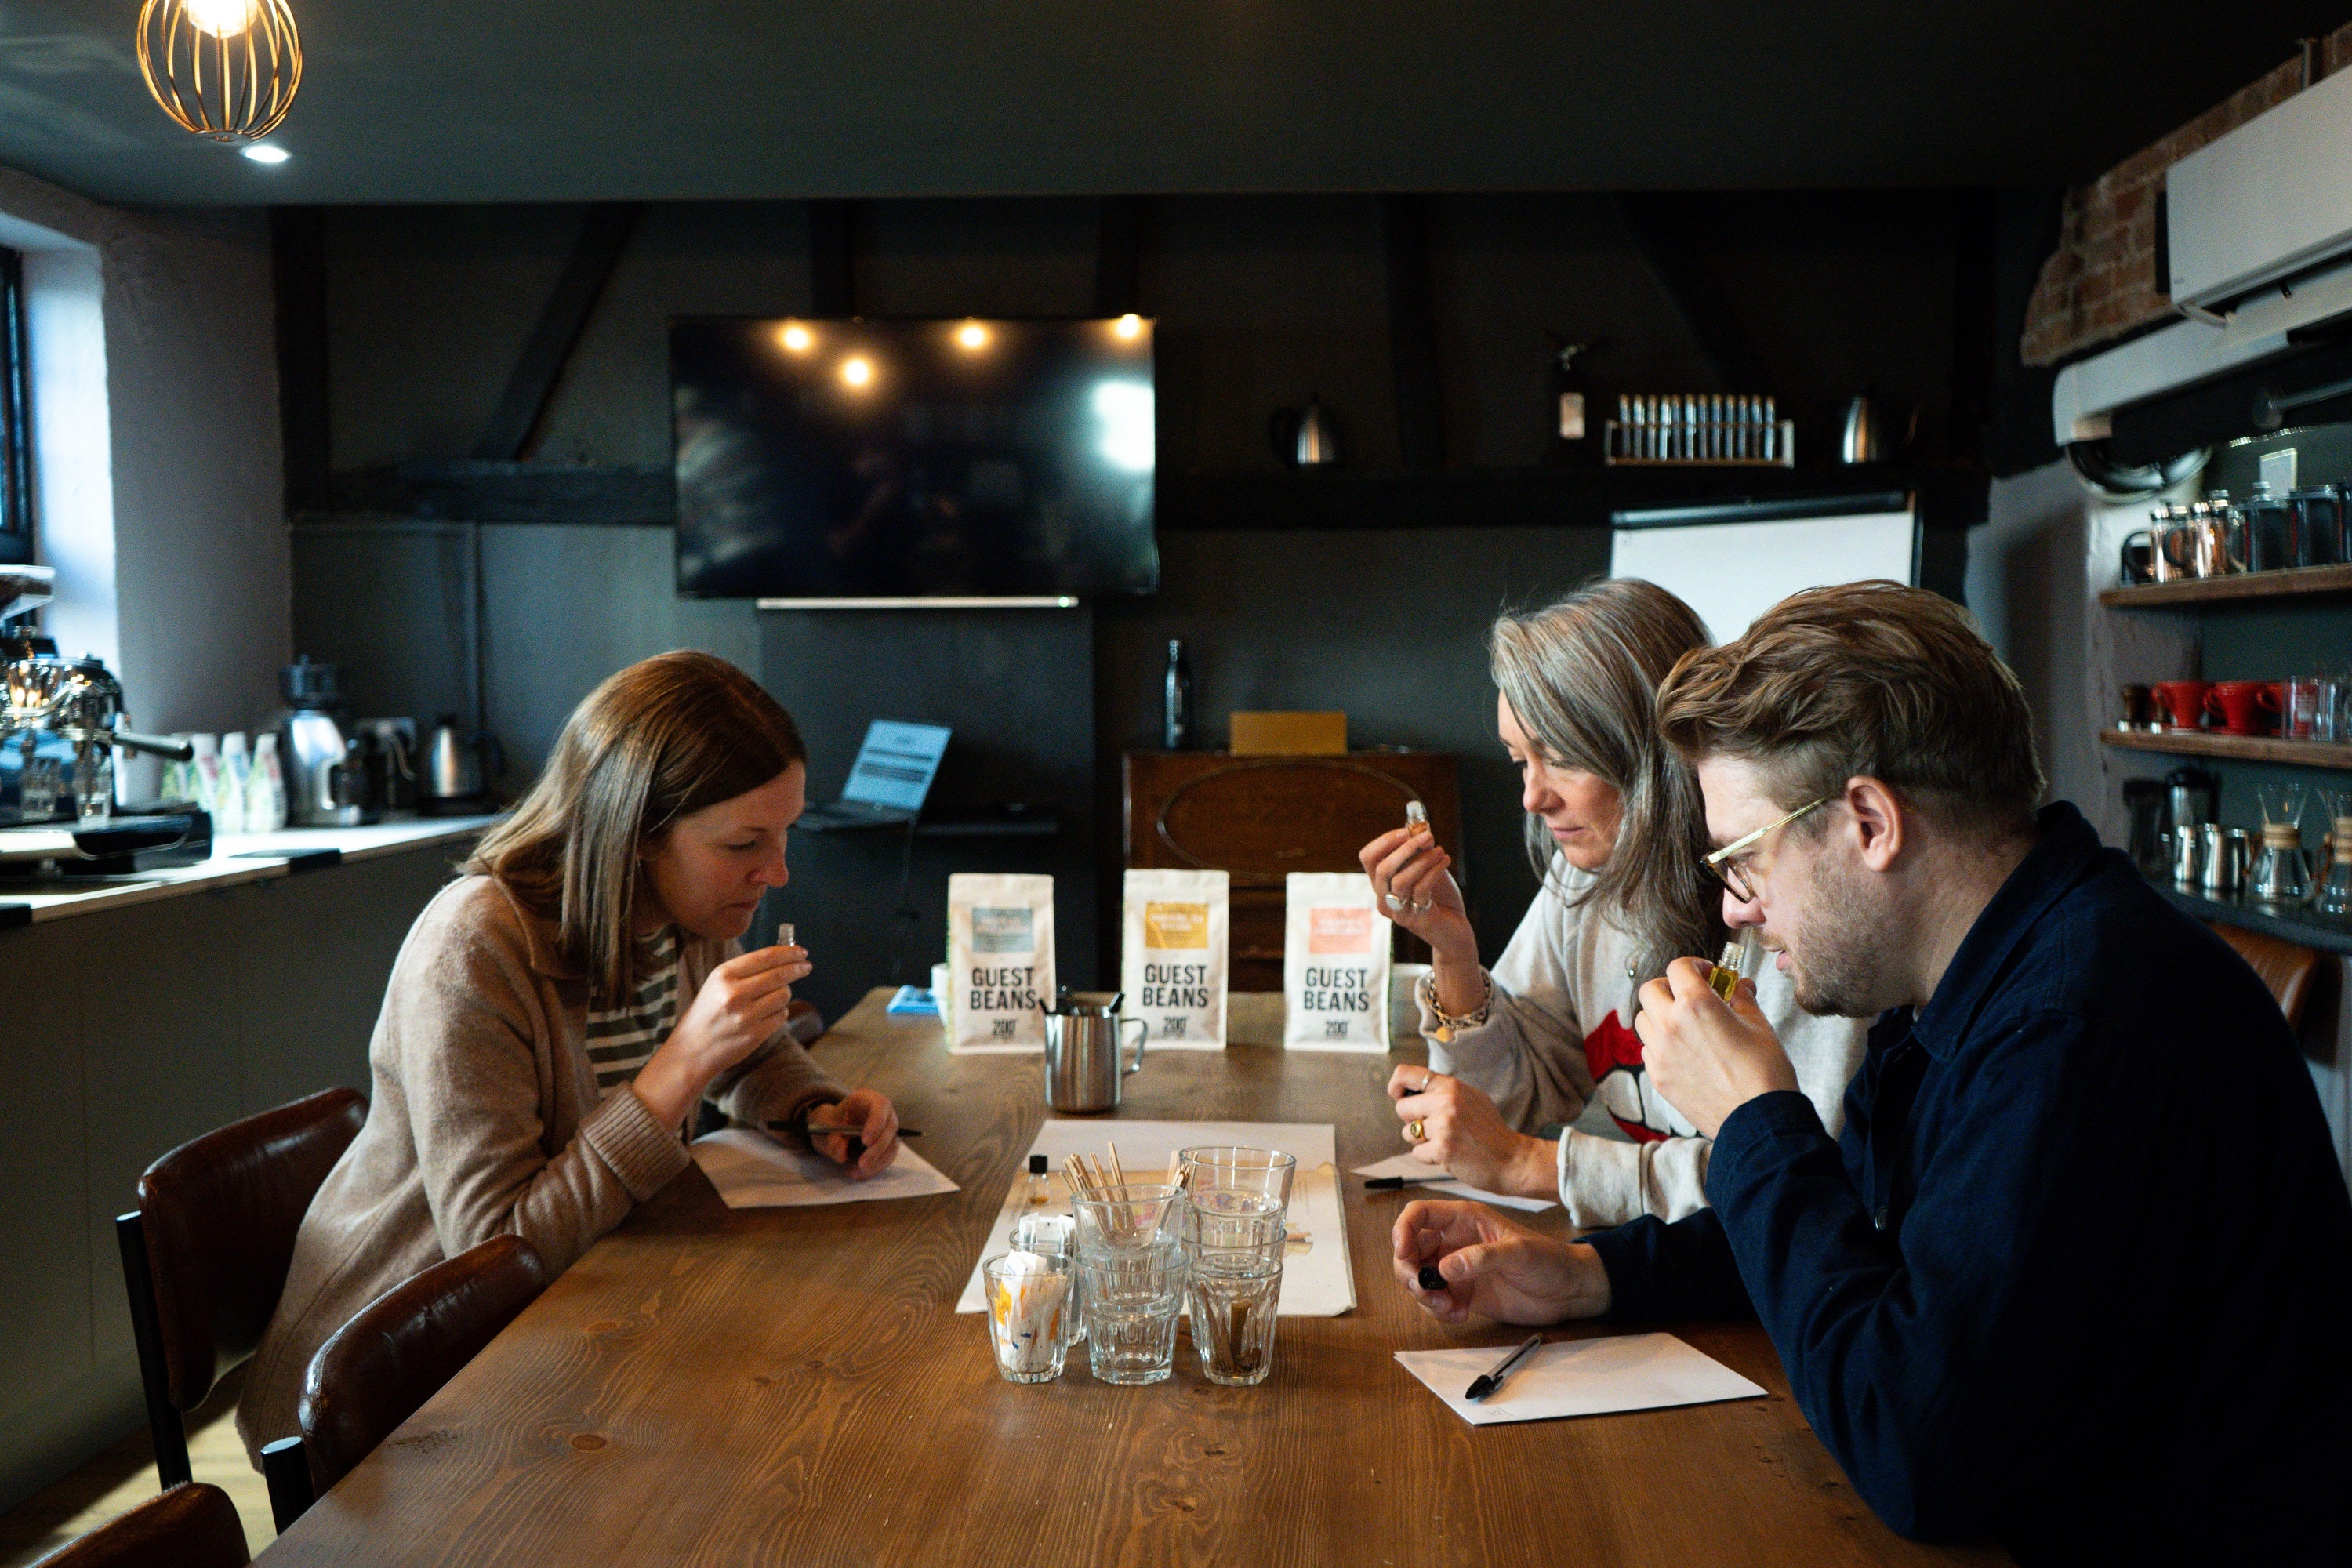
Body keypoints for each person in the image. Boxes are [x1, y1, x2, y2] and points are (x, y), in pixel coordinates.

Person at [1392, 583, 2352, 1563]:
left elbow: (1917, 1453)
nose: (1735, 910)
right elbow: (1864, 1239)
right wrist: (1588, 1275)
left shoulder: (2074, 1027)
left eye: (1743, 857)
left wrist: (1759, 1115)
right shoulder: (1982, 970)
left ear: (1868, 821)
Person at [238, 651, 901, 1458]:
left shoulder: (682, 912)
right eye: (744, 842)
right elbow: (495, 1248)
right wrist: (672, 1076)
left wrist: (814, 1106)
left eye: (785, 832)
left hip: (572, 1319)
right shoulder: (474, 946)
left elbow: (746, 1055)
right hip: (394, 1392)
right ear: (637, 835)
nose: (778, 870)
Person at [1360, 579, 1867, 1225]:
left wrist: (1539, 1166)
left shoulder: (1786, 911)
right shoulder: (1587, 879)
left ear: (1653, 754)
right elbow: (1496, 1113)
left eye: (1562, 758)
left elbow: (1796, 1182)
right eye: (1521, 761)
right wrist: (1453, 952)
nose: (1531, 797)